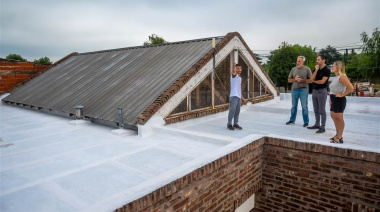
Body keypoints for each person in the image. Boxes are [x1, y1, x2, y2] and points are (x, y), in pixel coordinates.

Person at [329, 61, 353, 143]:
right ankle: (337, 134)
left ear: (338, 67)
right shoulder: (336, 77)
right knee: (333, 116)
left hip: (339, 99)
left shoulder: (342, 77)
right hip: (333, 98)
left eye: (333, 65)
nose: (332, 67)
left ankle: (340, 136)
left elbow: (351, 87)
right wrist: (330, 99)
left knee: (339, 118)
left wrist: (342, 94)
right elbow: (332, 90)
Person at [307, 54, 331, 133]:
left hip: (322, 91)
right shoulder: (315, 69)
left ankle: (322, 126)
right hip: (314, 91)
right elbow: (311, 78)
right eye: (317, 59)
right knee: (316, 109)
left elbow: (322, 81)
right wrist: (316, 70)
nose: (317, 61)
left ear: (324, 60)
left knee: (322, 110)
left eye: (319, 59)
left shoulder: (327, 70)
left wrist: (314, 81)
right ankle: (317, 124)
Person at [286, 56, 312, 127]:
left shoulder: (307, 69)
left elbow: (311, 80)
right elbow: (289, 80)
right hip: (294, 90)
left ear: (303, 61)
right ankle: (292, 120)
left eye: (299, 61)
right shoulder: (293, 69)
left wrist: (302, 80)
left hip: (303, 90)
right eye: (297, 61)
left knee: (304, 107)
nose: (297, 62)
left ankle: (306, 122)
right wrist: (295, 79)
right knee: (294, 106)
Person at [227, 63, 246, 130]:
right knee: (232, 111)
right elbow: (234, 72)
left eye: (240, 68)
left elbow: (239, 88)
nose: (239, 69)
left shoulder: (240, 78)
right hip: (233, 96)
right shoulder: (233, 76)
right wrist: (234, 66)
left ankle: (235, 124)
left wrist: (242, 98)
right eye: (238, 68)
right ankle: (229, 124)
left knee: (237, 111)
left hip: (238, 97)